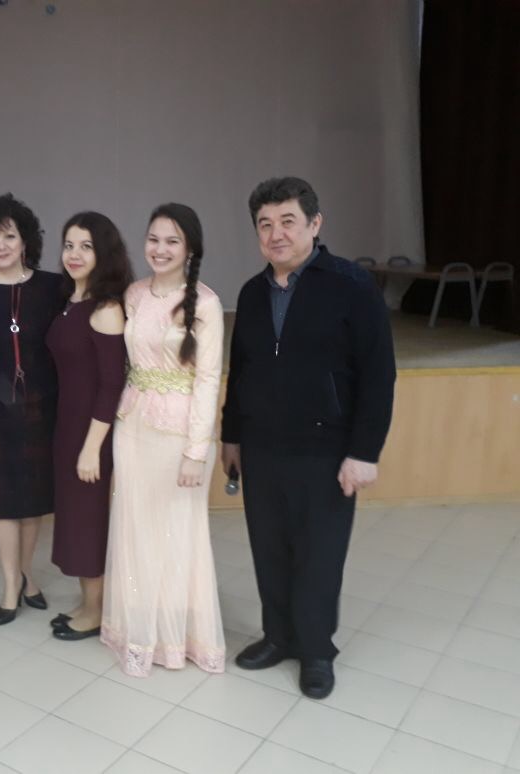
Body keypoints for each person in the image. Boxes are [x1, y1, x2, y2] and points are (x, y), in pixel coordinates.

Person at [221, 177, 395, 699]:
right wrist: (231, 436)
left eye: (288, 221)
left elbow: (379, 374)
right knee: (269, 548)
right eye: (265, 224)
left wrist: (364, 452)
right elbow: (241, 370)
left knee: (319, 554)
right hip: (262, 446)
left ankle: (317, 649)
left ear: (315, 224)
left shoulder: (352, 285)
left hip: (327, 448)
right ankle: (278, 636)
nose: (276, 234)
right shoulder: (252, 293)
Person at [102, 203, 226, 676]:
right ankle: (138, 629)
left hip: (179, 435)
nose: (160, 249)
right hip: (132, 424)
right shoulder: (134, 294)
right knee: (134, 525)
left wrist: (197, 452)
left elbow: (208, 380)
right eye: (154, 239)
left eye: (172, 241)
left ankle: (177, 636)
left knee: (177, 532)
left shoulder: (207, 304)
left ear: (190, 248)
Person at [0, 194, 63, 625]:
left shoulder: (54, 287)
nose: (1, 246)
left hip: (42, 407)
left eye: (9, 236)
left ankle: (26, 574)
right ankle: (10, 584)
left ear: (26, 241)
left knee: (34, 500)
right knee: (3, 501)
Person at [46, 211, 131, 641]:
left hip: (91, 433)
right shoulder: (71, 301)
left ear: (104, 253)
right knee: (77, 518)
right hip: (68, 426)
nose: (74, 254)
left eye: (86, 246)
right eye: (69, 245)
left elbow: (112, 384)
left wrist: (91, 447)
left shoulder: (107, 309)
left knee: (89, 521)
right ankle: (88, 602)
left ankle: (97, 611)